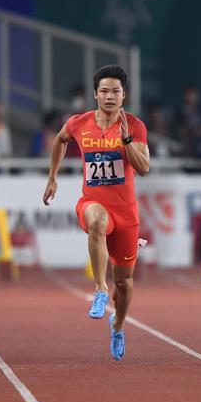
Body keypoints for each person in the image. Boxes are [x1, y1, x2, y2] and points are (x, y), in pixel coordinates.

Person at [42, 65, 150, 361]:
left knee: (125, 284)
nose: (110, 96)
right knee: (96, 222)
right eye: (104, 91)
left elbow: (143, 168)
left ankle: (117, 325)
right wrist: (53, 176)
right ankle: (99, 289)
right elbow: (60, 140)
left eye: (116, 91)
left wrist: (127, 142)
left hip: (126, 213)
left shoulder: (135, 126)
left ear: (124, 95)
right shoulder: (80, 123)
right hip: (93, 202)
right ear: (95, 94)